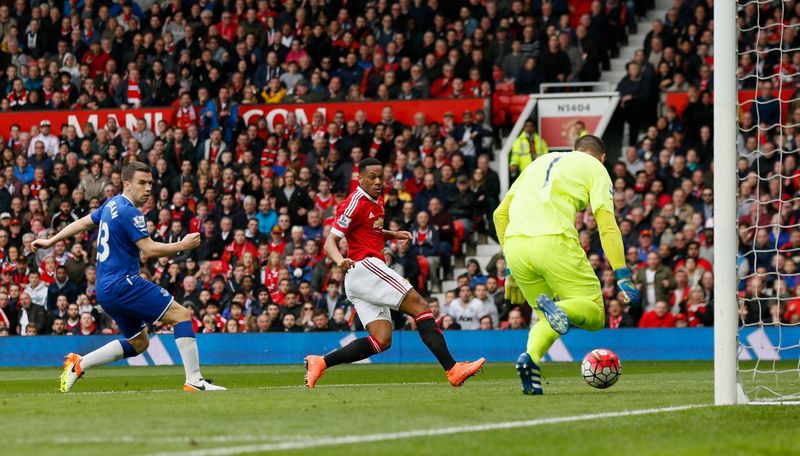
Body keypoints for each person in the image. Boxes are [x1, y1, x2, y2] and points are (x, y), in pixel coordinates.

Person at [31, 162, 225, 393]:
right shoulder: (129, 211)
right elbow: (149, 249)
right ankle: (194, 380)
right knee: (181, 315)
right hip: (123, 283)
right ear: (127, 184)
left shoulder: (111, 204)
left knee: (139, 342)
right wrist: (182, 245)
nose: (148, 188)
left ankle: (79, 364)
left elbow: (83, 223)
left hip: (105, 290)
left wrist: (51, 241)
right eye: (142, 183)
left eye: (150, 183)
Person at [303, 158, 485, 388]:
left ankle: (320, 362)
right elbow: (330, 241)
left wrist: (393, 234)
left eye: (380, 177)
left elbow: (370, 229)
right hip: (365, 267)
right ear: (360, 179)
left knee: (382, 340)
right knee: (421, 307)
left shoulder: (377, 200)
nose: (378, 182)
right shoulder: (354, 203)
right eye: (372, 177)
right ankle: (453, 369)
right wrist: (340, 260)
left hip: (359, 279)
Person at [493, 135, 641, 395]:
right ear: (602, 157)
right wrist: (622, 273)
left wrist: (510, 270)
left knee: (547, 320)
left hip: (516, 247)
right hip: (554, 241)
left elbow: (500, 214)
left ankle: (530, 360)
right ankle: (559, 309)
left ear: (574, 149)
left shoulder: (539, 162)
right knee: (595, 313)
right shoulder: (596, 168)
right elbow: (606, 224)